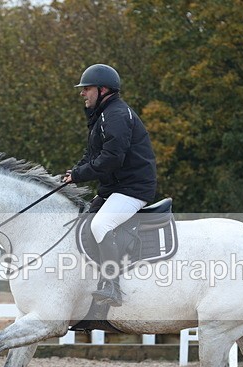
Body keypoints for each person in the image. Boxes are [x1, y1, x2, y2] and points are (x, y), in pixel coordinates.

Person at [62, 64, 157, 307]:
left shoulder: (115, 116)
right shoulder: (103, 116)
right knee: (81, 223)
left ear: (102, 90)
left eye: (87, 89)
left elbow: (113, 158)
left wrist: (80, 174)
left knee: (101, 225)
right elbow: (93, 155)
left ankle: (112, 286)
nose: (82, 93)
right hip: (115, 188)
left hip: (132, 189)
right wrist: (73, 173)